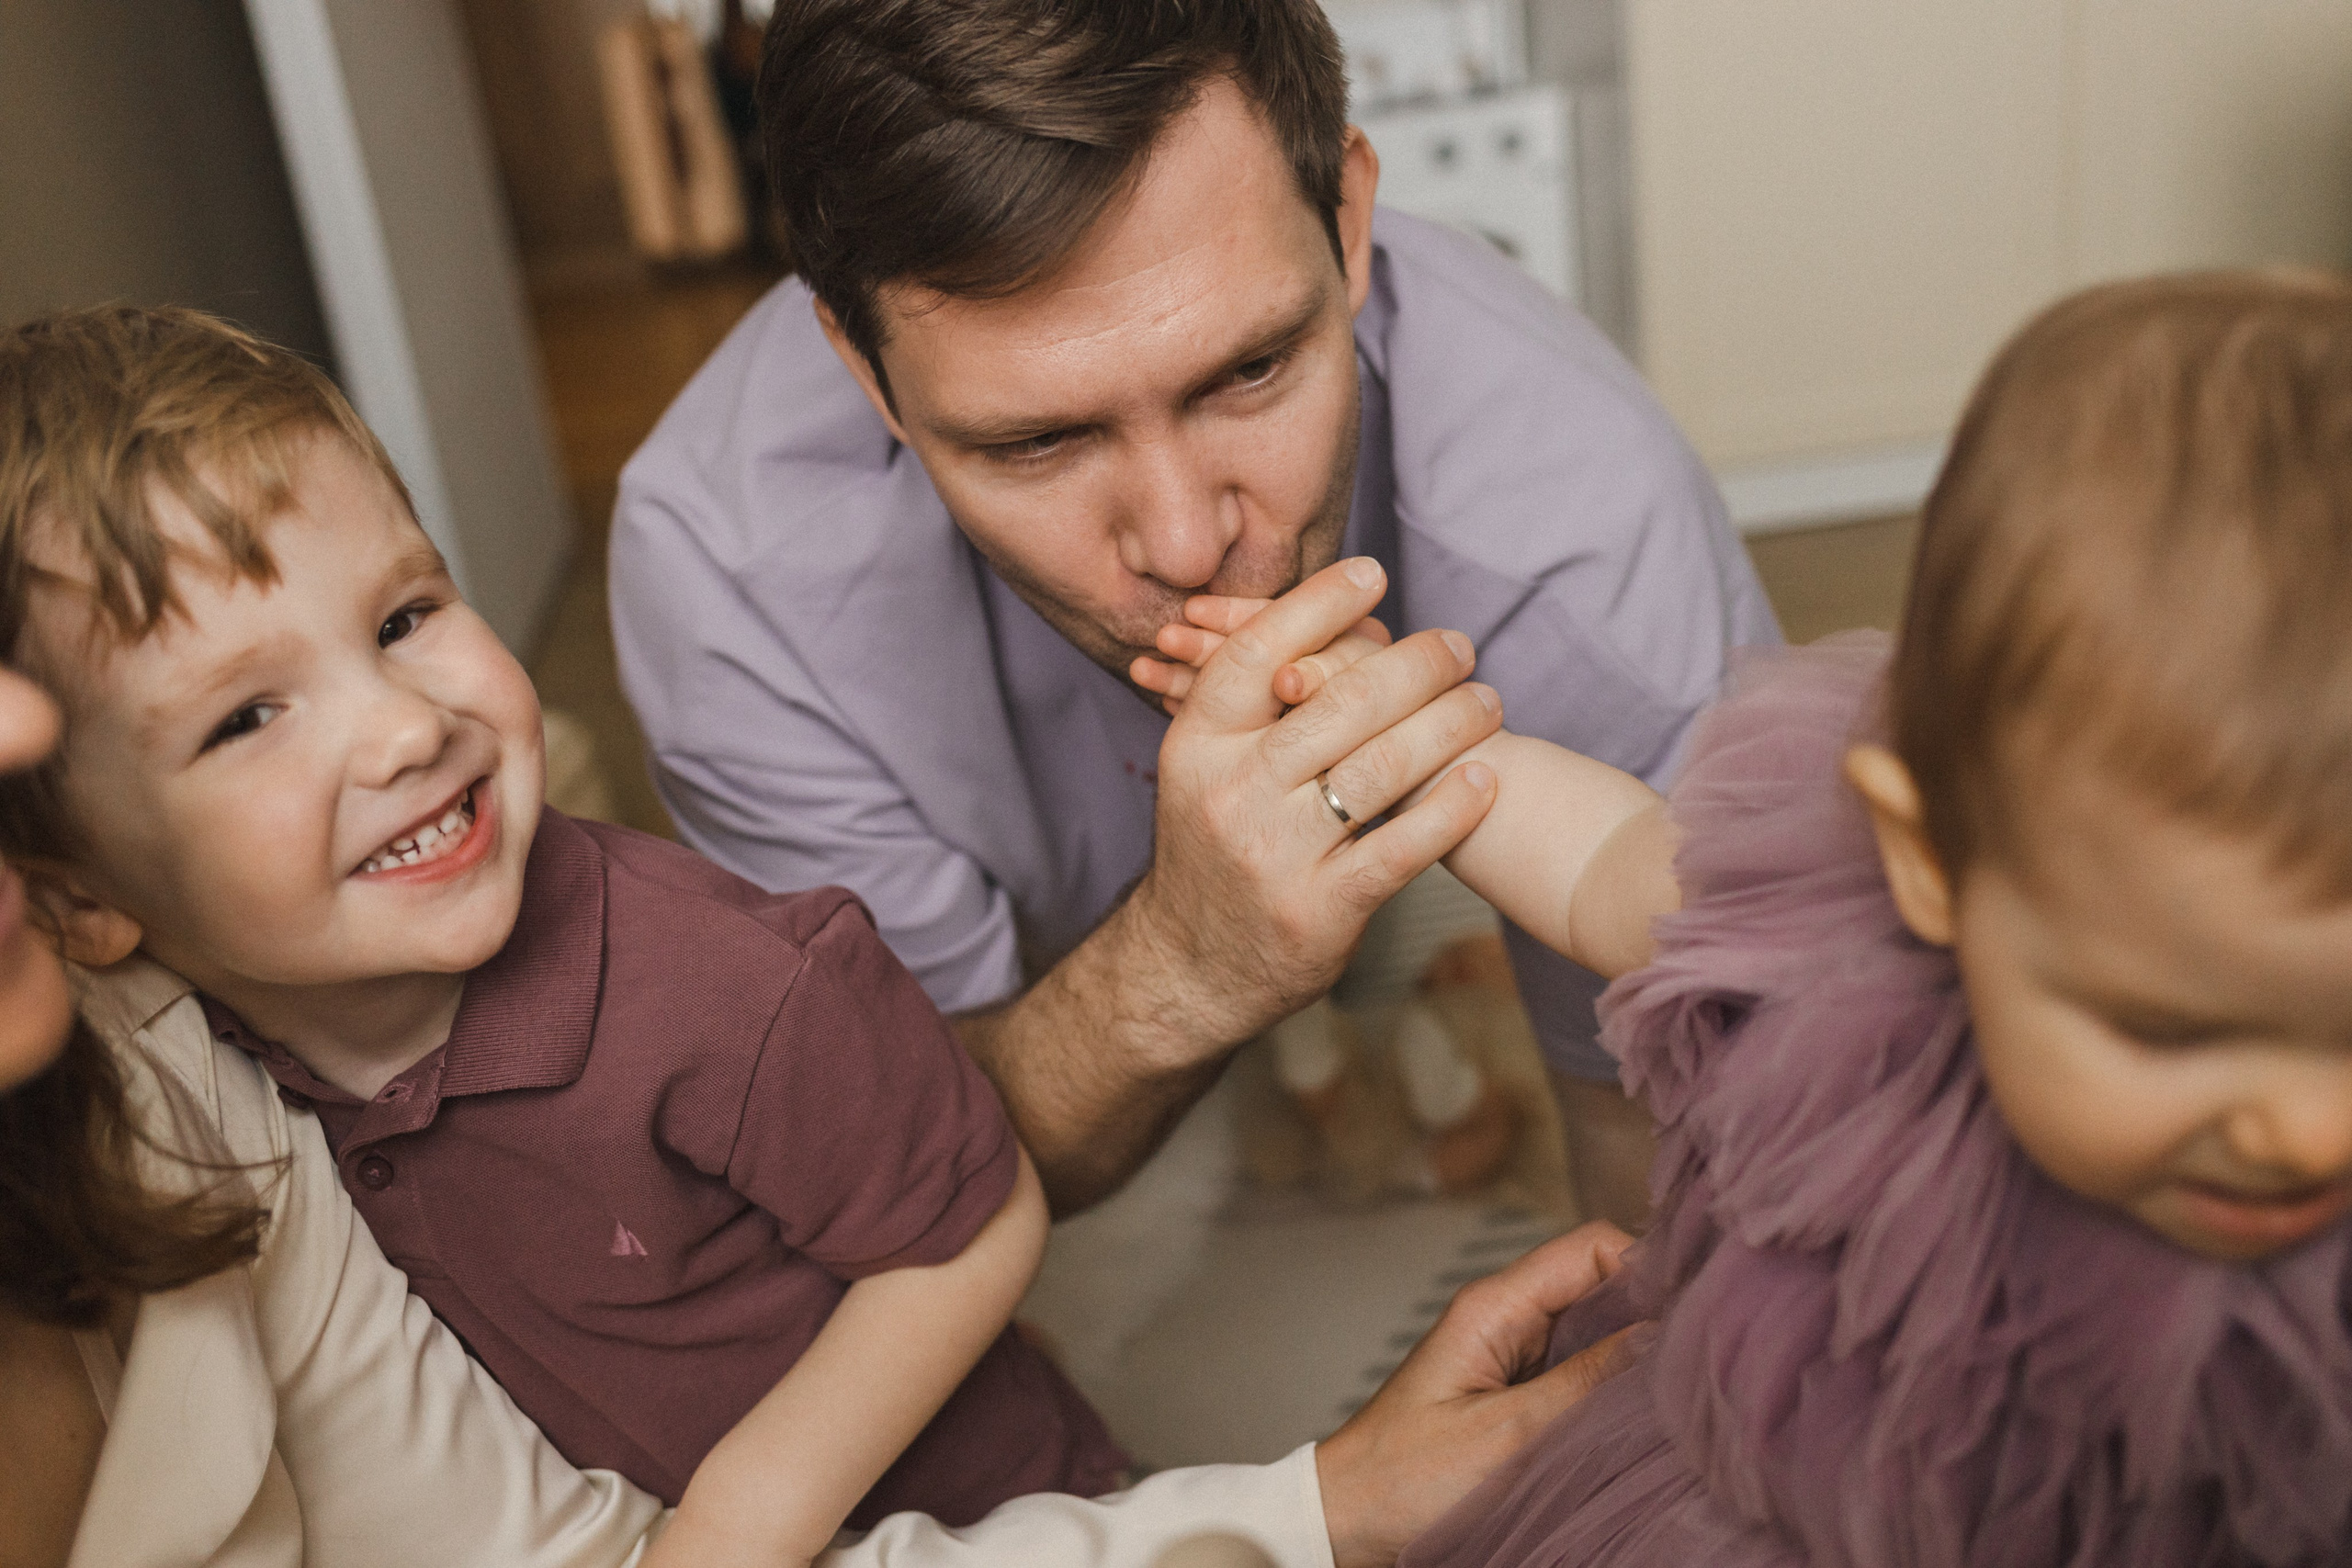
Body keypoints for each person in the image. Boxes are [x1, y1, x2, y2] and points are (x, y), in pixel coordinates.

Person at [0, 302, 1642, 1568]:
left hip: (993, 1516)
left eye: (408, 617)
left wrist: (749, 1515)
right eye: (247, 719)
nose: (400, 728)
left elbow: (979, 1211)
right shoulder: (181, 1053)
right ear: (80, 896)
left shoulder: (716, 982)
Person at [1158, 273, 2352, 1565]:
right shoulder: (1845, 925)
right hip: (1800, 1505)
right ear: (1930, 863)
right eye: (2171, 1034)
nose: (2304, 1129)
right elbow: (1604, 855)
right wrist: (1372, 717)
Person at [609, 0, 1778, 1230]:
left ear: (1349, 223)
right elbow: (893, 1190)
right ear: (864, 373)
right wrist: (1186, 967)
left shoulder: (1576, 522)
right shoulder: (727, 584)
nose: (1185, 543)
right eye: (1040, 441)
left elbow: (1665, 1164)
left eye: (1249, 371)